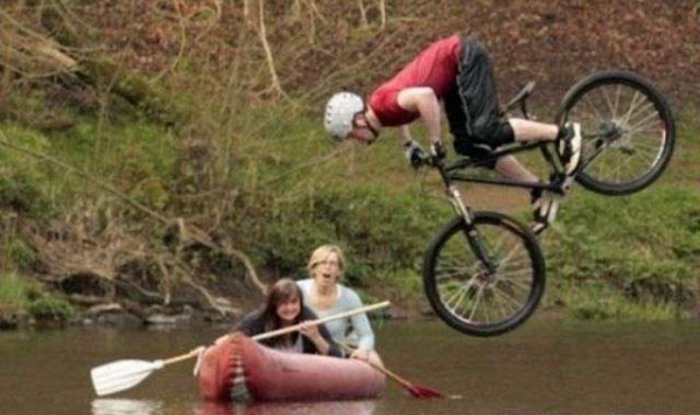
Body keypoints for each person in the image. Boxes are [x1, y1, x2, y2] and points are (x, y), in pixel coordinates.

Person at [324, 35, 582, 233]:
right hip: (453, 76)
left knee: (486, 129)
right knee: (468, 145)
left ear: (358, 120)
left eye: (351, 135)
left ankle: (563, 133)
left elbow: (425, 97)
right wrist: (409, 145)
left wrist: (435, 142)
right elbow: (403, 113)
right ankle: (536, 188)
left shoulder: (383, 106)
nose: (355, 141)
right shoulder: (381, 112)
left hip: (462, 57)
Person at [223, 278, 343, 357]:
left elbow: (337, 355)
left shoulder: (307, 317)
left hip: (302, 374)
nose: (290, 308)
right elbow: (228, 340)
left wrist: (316, 338)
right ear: (274, 304)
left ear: (300, 303)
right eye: (283, 303)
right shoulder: (261, 317)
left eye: (294, 302)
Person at [297, 245, 377, 362]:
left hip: (334, 356)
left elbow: (366, 335)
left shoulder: (349, 297)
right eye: (323, 262)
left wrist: (363, 350)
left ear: (339, 271)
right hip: (300, 354)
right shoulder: (297, 289)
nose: (327, 267)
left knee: (371, 357)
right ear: (314, 268)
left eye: (332, 263)